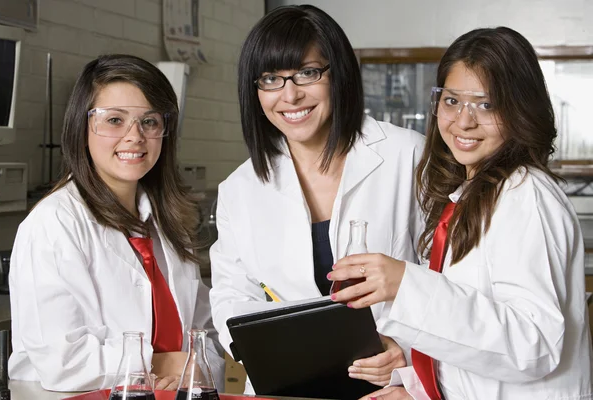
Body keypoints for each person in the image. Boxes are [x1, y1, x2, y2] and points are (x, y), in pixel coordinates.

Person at [329, 27, 593, 400]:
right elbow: (478, 348)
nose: (463, 121)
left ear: (520, 108)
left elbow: (533, 346)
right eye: (452, 101)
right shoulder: (473, 194)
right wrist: (416, 391)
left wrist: (406, 283)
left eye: (486, 104)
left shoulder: (524, 194)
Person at [209, 4, 425, 393]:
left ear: (338, 73)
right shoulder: (240, 188)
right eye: (271, 79)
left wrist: (409, 353)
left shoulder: (408, 156)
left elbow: (450, 278)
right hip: (287, 386)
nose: (290, 96)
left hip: (393, 383)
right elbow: (231, 294)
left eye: (307, 73)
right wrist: (262, 350)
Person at [8, 54, 225, 392]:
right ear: (82, 129)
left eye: (149, 121)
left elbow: (204, 334)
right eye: (114, 120)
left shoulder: (168, 221)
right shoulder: (54, 224)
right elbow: (62, 361)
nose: (134, 136)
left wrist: (195, 367)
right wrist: (160, 362)